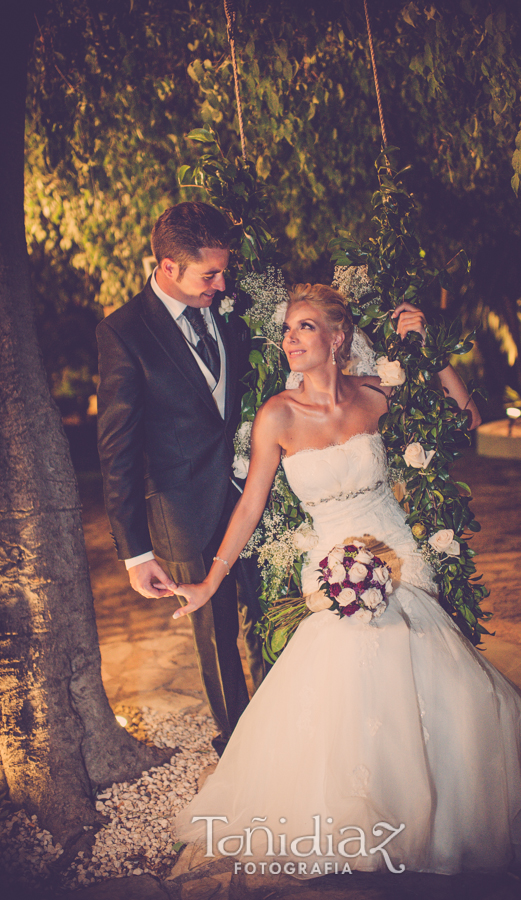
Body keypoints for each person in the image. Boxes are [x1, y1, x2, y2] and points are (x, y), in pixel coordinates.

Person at [171, 284, 521, 875]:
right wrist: (209, 584)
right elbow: (249, 508)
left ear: (337, 339)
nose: (290, 338)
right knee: (349, 667)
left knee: (432, 673)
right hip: (333, 567)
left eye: (306, 327)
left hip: (399, 557)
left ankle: (441, 817)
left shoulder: (374, 395)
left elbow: (463, 420)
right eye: (288, 329)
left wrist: (431, 354)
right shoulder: (277, 415)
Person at [96, 201, 264, 756]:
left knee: (269, 612)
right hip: (181, 510)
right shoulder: (124, 332)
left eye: (223, 271)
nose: (220, 283)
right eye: (209, 274)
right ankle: (241, 745)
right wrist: (135, 551)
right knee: (215, 635)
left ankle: (284, 727)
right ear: (167, 266)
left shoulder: (231, 311)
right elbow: (116, 447)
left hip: (252, 494)